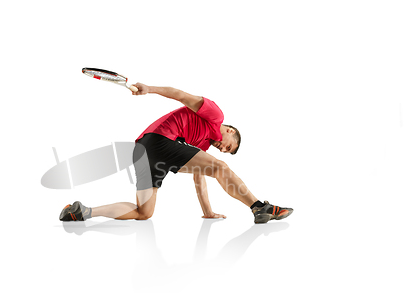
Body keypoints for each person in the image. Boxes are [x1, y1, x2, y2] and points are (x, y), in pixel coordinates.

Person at [60, 83, 293, 224]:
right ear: (230, 131)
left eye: (226, 150)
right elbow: (181, 95)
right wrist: (149, 89)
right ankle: (258, 206)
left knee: (144, 212)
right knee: (221, 167)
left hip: (141, 151)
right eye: (229, 146)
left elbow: (199, 177)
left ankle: (83, 212)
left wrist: (208, 212)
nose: (223, 149)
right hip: (158, 141)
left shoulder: (200, 145)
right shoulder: (215, 116)